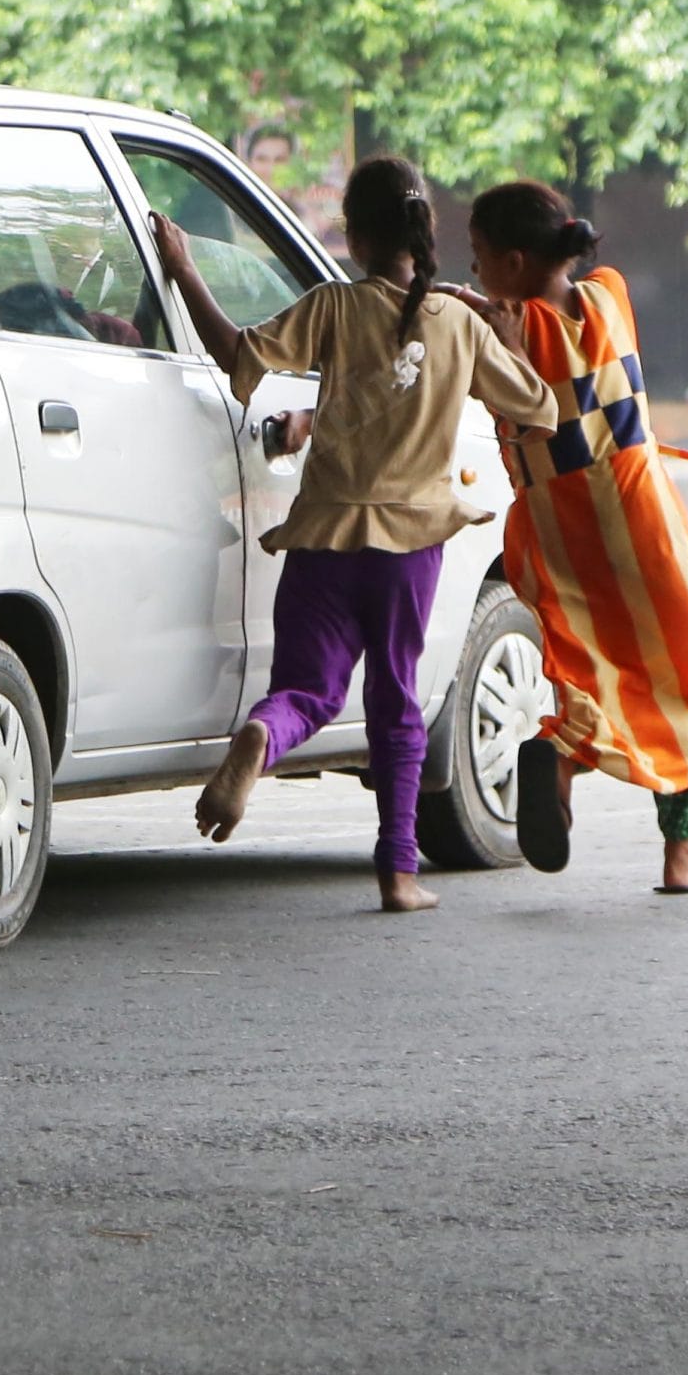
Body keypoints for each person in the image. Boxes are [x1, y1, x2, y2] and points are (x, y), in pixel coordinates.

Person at [153, 156, 558, 912]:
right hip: (410, 551)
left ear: (355, 235)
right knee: (396, 703)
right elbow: (539, 408)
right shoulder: (459, 324)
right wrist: (504, 331)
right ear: (424, 232)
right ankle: (398, 873)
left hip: (324, 537)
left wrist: (182, 269)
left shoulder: (333, 307)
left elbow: (237, 357)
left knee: (306, 691)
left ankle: (260, 740)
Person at [455, 181, 688, 894]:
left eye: (479, 256)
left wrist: (488, 326)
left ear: (515, 261)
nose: (473, 271)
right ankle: (683, 856)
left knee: (586, 673)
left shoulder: (502, 326)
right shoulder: (610, 293)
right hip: (642, 525)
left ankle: (562, 753)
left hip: (557, 537)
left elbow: (507, 392)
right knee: (680, 687)